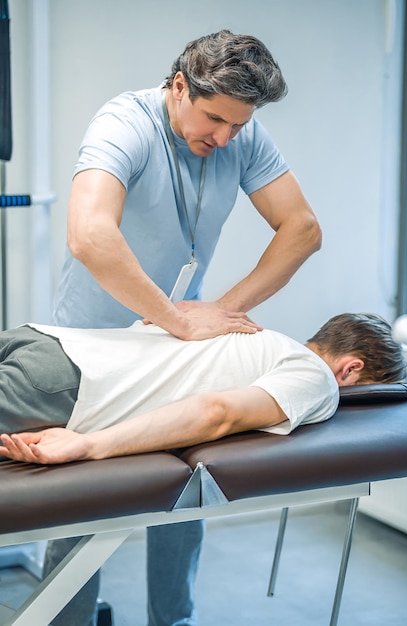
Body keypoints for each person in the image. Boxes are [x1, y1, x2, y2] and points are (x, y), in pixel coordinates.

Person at [48, 29, 323, 626]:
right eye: (214, 119)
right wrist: (175, 317)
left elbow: (302, 229)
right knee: (78, 505)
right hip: (95, 351)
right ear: (179, 86)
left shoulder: (241, 136)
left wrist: (218, 310)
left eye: (238, 126)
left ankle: (172, 620)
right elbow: (90, 234)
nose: (224, 138)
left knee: (185, 493)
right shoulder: (125, 122)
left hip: (178, 348)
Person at [0, 313, 407, 465]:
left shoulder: (256, 335)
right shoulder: (319, 379)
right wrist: (91, 446)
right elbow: (218, 413)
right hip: (65, 385)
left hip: (43, 339)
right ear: (350, 369)